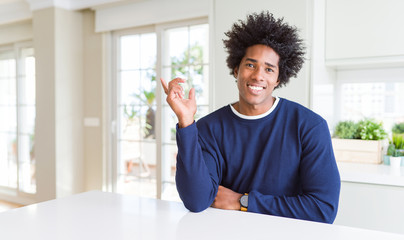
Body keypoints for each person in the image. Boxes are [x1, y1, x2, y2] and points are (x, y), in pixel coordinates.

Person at [160, 11, 340, 224]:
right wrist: (186, 122)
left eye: (269, 69)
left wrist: (243, 201)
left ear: (278, 79)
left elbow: (323, 209)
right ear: (236, 69)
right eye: (250, 65)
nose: (258, 75)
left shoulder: (309, 126)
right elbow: (196, 200)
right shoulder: (209, 128)